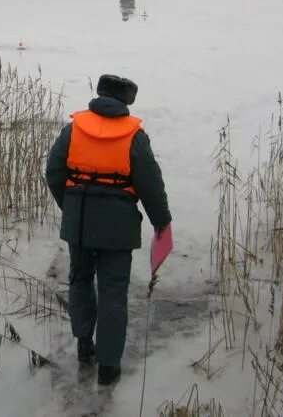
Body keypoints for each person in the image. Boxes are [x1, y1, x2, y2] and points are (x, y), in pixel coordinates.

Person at [45, 74, 171, 386]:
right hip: (118, 229)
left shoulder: (74, 129)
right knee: (113, 291)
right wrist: (161, 221)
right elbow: (150, 185)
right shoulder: (134, 136)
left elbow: (54, 172)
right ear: (126, 101)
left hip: (80, 223)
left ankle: (84, 343)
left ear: (99, 94)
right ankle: (109, 367)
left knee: (80, 280)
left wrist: (71, 206)